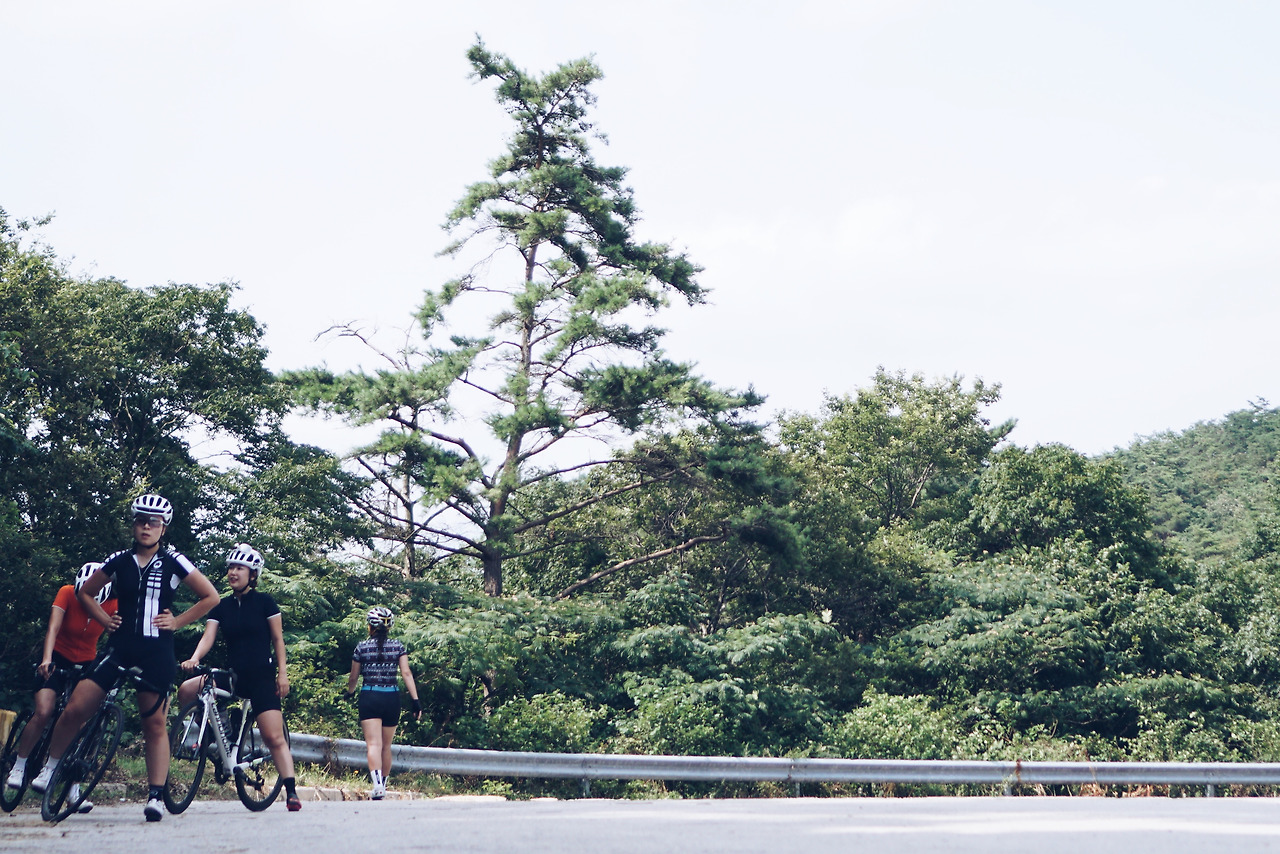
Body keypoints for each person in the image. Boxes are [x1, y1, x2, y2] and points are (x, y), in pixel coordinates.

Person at [30, 493, 220, 823]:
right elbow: (85, 593)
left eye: (154, 523)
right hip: (119, 648)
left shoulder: (175, 560)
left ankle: (155, 795)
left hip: (156, 652)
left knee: (154, 723)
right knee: (75, 708)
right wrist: (104, 620)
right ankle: (50, 768)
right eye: (141, 521)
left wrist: (177, 621)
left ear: (163, 528)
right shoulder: (119, 560)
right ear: (133, 524)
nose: (146, 527)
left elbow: (211, 596)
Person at [177, 543, 301, 811]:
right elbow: (208, 637)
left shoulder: (265, 602)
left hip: (261, 677)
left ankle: (291, 791)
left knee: (273, 736)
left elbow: (278, 639)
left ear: (252, 574)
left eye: (239, 568)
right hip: (234, 675)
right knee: (187, 689)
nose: (233, 572)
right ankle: (218, 733)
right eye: (231, 568)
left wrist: (283, 674)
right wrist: (195, 658)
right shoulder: (221, 606)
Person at [5, 562, 118, 811]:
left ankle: (72, 788)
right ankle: (19, 765)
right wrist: (46, 659)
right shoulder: (67, 592)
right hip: (57, 656)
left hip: (86, 662)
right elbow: (53, 628)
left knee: (80, 724)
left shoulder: (113, 604)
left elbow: (116, 639)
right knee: (44, 711)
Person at [343, 607, 421, 800]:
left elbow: (353, 677)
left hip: (370, 696)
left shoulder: (361, 647)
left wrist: (350, 693)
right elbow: (406, 673)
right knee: (386, 746)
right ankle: (383, 785)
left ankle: (377, 785)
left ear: (370, 626)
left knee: (373, 745)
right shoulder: (398, 646)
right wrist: (415, 700)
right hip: (391, 698)